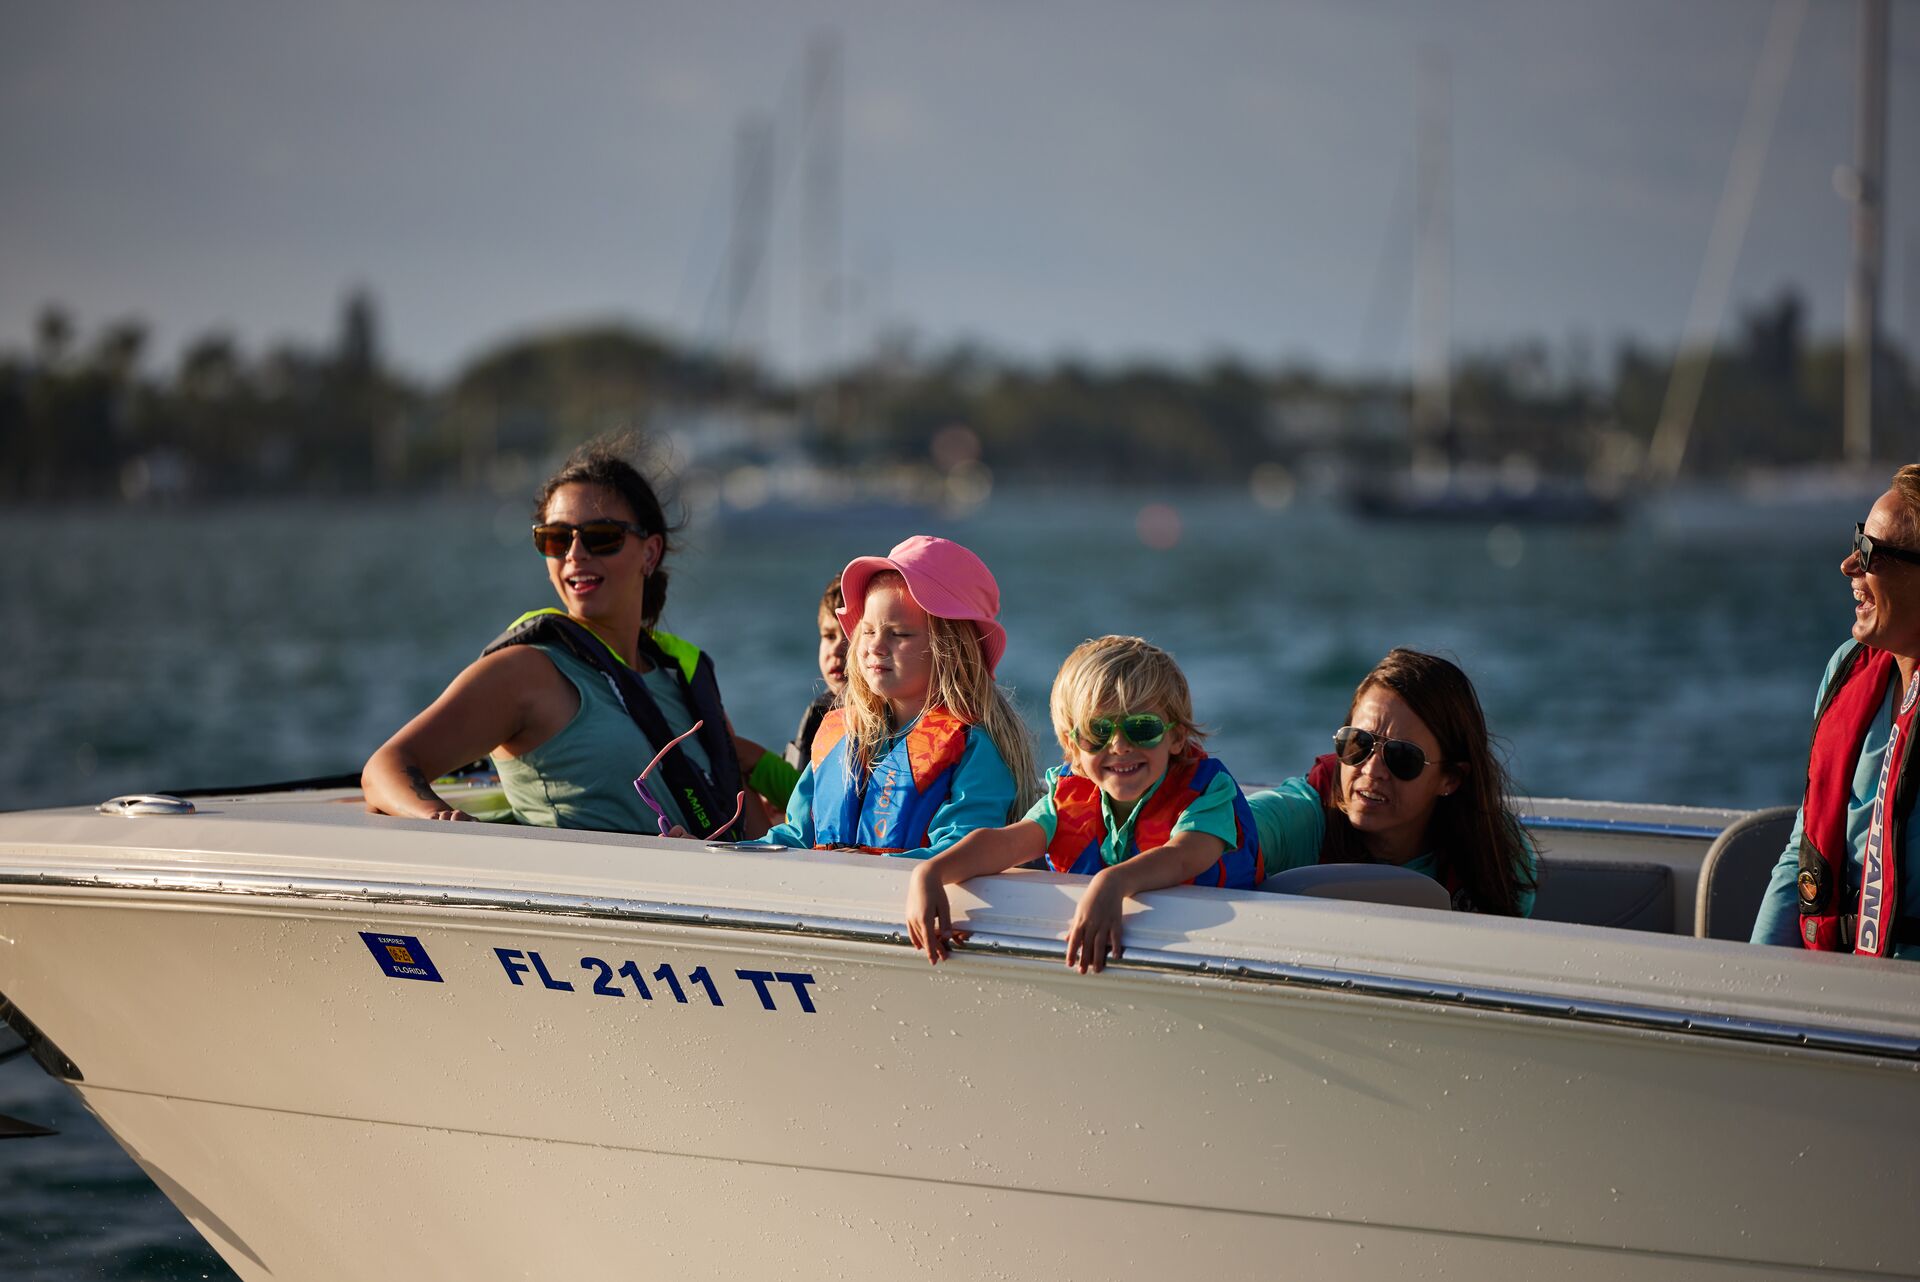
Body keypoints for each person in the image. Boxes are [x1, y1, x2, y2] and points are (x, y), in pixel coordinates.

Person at [362, 438, 779, 837]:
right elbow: (387, 767)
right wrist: (438, 820)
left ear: (650, 553)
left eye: (601, 537)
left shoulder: (684, 683)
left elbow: (750, 827)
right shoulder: (524, 672)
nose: (575, 555)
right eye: (556, 539)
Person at [905, 635, 1264, 973]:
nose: (1120, 746)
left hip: (1272, 832)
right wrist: (933, 871)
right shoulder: (1066, 800)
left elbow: (1186, 855)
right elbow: (1007, 842)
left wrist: (1112, 883)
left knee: (1301, 811)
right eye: (1098, 732)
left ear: (1176, 736)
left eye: (1141, 727)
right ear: (1072, 745)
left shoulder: (1209, 793)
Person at [765, 535, 1037, 858]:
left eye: (899, 634)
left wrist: (867, 869)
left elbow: (962, 853)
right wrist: (706, 848)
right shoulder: (838, 737)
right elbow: (793, 836)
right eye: (867, 631)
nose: (875, 647)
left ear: (950, 650)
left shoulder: (975, 749)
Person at [1751, 466, 1920, 959]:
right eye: (1856, 542)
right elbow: (1800, 849)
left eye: (1870, 553)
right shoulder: (1845, 670)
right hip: (1834, 985)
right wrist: (1756, 978)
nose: (1849, 565)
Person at [1246, 649, 1537, 916]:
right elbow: (1227, 828)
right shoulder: (1301, 819)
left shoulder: (1498, 859)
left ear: (1450, 778)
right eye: (1358, 743)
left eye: (1402, 756)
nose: (1371, 770)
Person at [783, 575, 849, 771]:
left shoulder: (893, 723)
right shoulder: (819, 714)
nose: (837, 649)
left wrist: (758, 761)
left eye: (851, 636)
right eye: (829, 636)